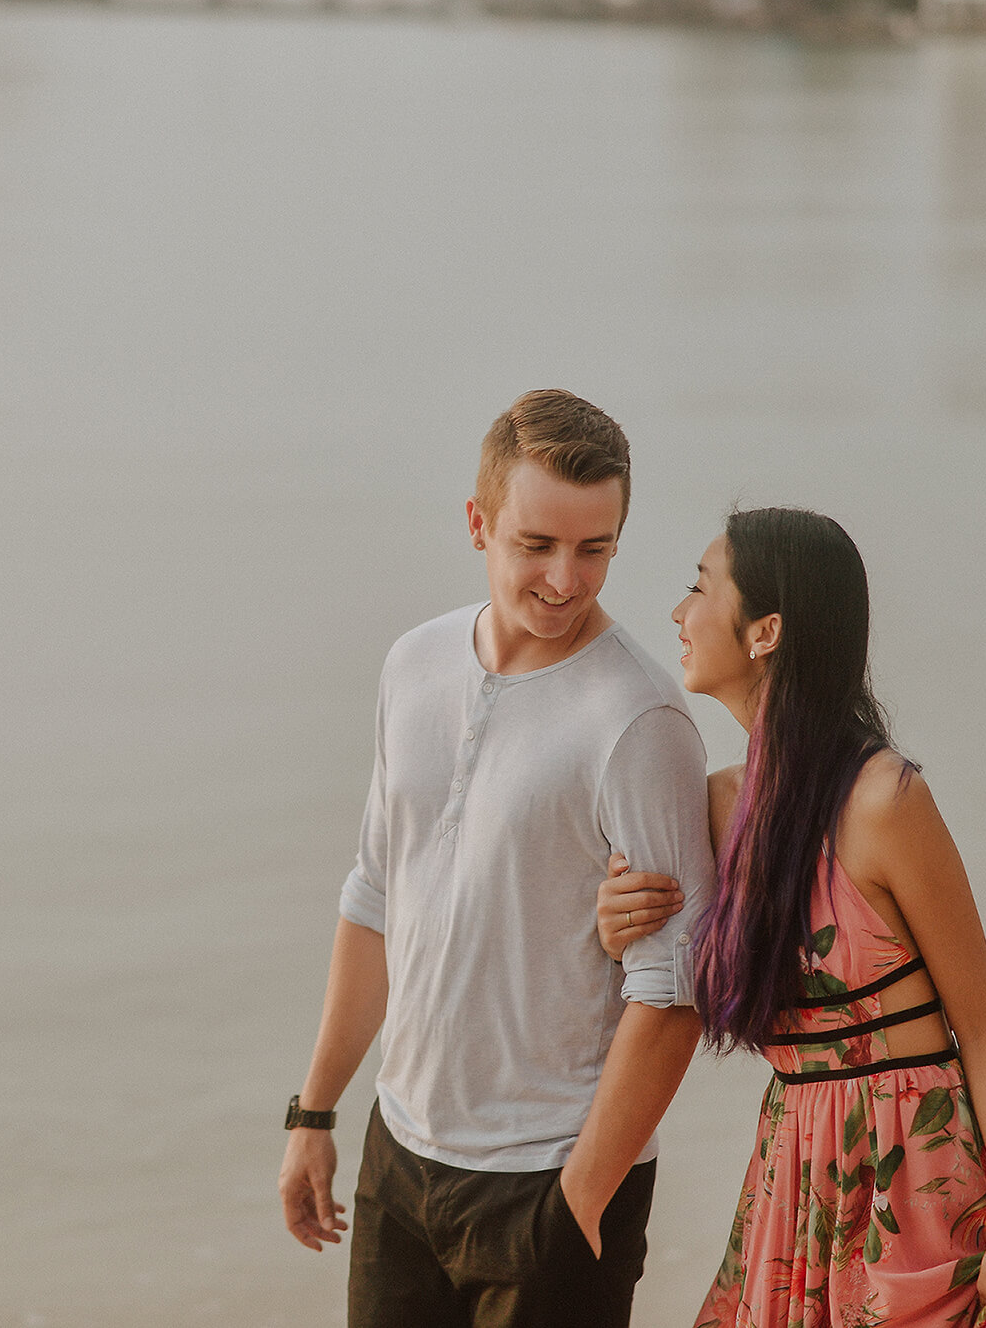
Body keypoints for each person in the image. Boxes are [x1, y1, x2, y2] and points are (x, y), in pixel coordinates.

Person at [276, 389, 716, 1328]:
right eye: (538, 545)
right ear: (478, 523)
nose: (566, 578)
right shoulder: (414, 664)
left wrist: (581, 1201)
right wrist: (316, 1112)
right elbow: (374, 898)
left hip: (551, 1176)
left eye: (595, 549)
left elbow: (673, 989)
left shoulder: (638, 720)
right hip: (402, 1156)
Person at [596, 507, 986, 1328]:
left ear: (765, 631)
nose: (679, 612)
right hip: (793, 1167)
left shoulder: (884, 802)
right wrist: (614, 929)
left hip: (915, 1175)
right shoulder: (717, 806)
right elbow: (676, 987)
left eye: (699, 588)